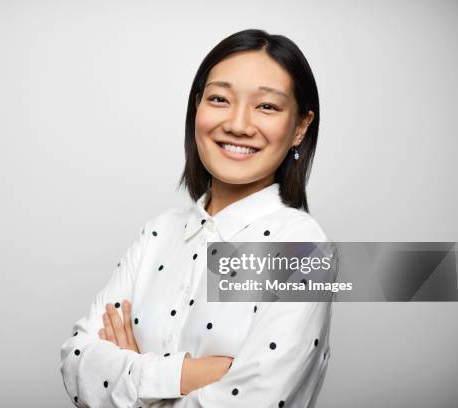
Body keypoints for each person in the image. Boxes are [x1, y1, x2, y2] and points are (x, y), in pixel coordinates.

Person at [60, 28, 332, 407]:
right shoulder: (157, 233)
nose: (238, 124)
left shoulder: (300, 246)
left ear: (300, 127)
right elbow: (76, 360)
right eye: (220, 99)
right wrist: (187, 375)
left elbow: (253, 401)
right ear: (197, 107)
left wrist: (130, 373)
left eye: (267, 106)